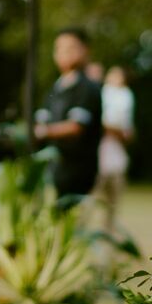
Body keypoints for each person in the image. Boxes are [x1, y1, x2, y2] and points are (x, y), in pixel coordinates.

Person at [33, 27, 103, 202]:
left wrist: (43, 131)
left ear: (85, 50)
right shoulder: (55, 88)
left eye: (70, 48)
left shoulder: (87, 88)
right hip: (52, 170)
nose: (64, 53)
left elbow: (75, 127)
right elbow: (40, 120)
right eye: (59, 49)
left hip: (77, 172)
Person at [96, 65, 135, 233]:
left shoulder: (125, 96)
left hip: (115, 161)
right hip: (98, 160)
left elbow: (127, 132)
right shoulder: (101, 93)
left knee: (112, 207)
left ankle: (108, 238)